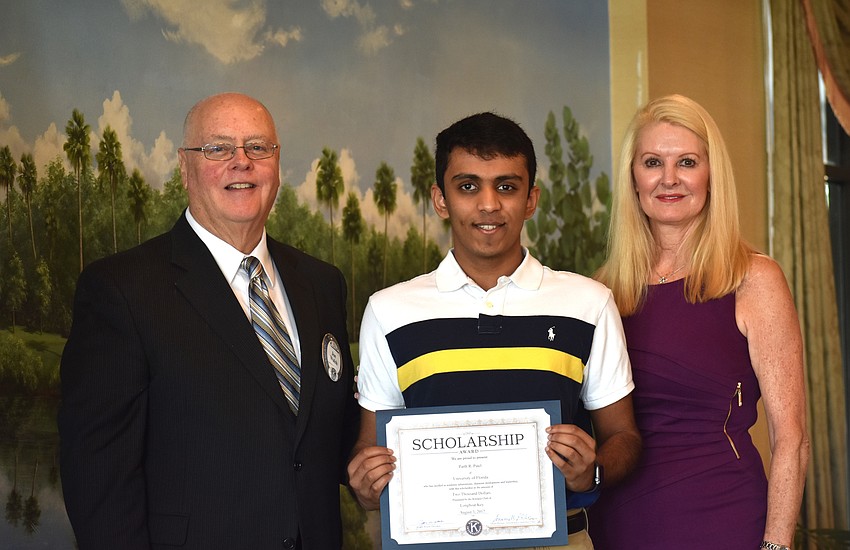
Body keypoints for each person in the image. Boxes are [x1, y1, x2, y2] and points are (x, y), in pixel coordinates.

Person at [58, 92, 360, 550]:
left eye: (258, 147)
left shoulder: (322, 283)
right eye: (218, 148)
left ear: (276, 164)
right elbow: (98, 482)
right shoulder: (121, 290)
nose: (242, 162)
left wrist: (371, 467)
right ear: (185, 167)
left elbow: (324, 438)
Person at [347, 112, 642, 549]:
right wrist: (365, 481)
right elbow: (369, 450)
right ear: (440, 199)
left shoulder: (589, 303)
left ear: (531, 199)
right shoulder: (390, 311)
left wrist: (593, 468)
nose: (488, 204)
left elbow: (625, 438)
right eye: (468, 186)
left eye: (506, 186)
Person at [588, 94, 809, 549]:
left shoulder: (754, 279)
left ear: (711, 175)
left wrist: (777, 545)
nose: (669, 179)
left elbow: (792, 439)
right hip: (618, 523)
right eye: (652, 162)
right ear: (633, 177)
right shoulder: (601, 292)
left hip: (723, 518)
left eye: (686, 161)